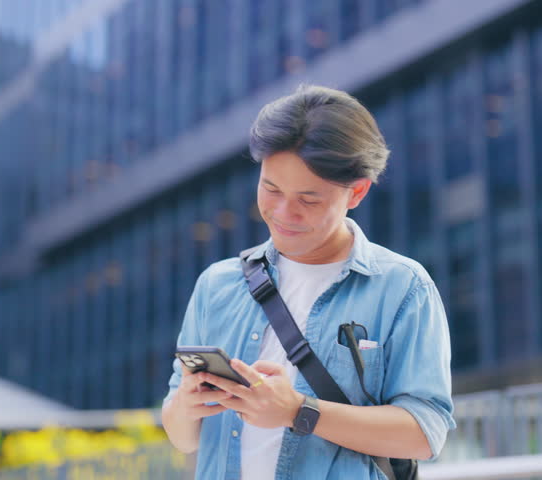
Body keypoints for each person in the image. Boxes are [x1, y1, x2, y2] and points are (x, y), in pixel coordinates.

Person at [161, 85, 455, 480]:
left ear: (357, 192)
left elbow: (425, 432)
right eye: (271, 189)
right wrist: (186, 404)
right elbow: (183, 437)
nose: (283, 213)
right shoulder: (218, 285)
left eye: (309, 199)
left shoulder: (402, 288)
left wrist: (298, 411)